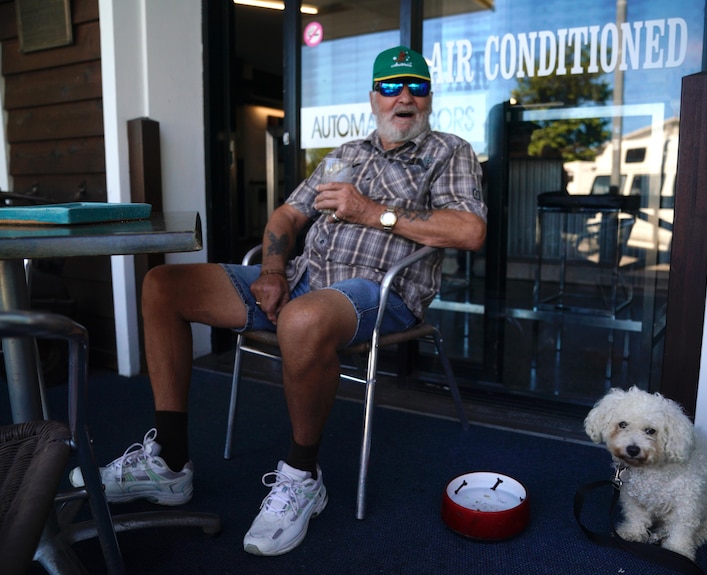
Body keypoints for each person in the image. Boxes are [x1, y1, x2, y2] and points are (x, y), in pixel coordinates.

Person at [70, 46, 487, 557]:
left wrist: (374, 212)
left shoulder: (449, 152)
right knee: (163, 285)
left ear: (429, 97)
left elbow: (469, 231)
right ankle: (169, 464)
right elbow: (287, 217)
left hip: (382, 292)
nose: (405, 98)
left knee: (302, 319)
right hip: (303, 278)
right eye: (392, 87)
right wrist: (271, 271)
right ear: (373, 97)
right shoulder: (345, 155)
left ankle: (302, 476)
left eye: (416, 87)